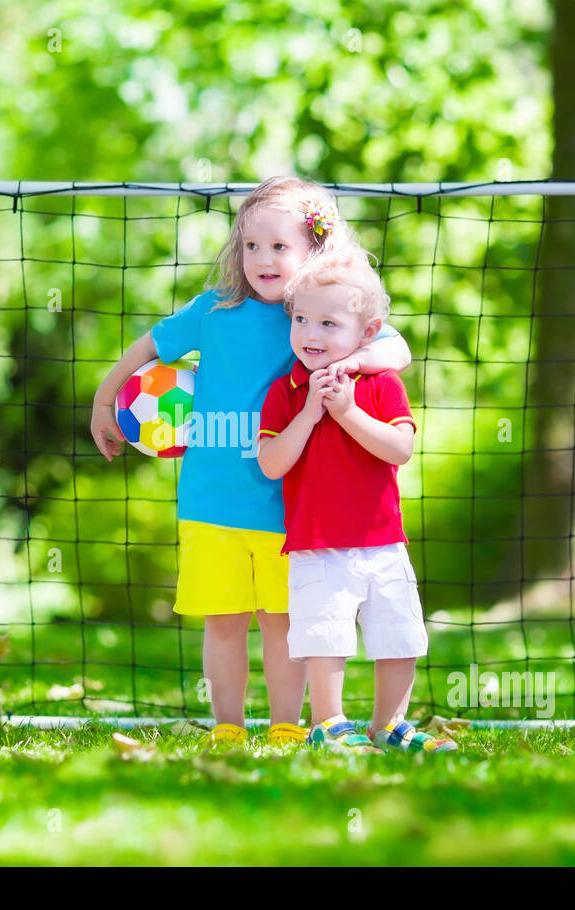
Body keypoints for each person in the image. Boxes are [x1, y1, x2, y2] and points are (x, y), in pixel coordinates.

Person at [90, 177, 412, 747]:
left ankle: (288, 726)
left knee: (282, 624)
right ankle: (229, 729)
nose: (263, 258)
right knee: (223, 624)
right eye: (251, 245)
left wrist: (352, 363)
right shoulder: (212, 311)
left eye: (280, 246)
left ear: (315, 249)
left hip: (287, 509)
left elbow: (396, 347)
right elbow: (150, 345)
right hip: (210, 503)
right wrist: (104, 396)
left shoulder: (314, 316)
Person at [257, 247, 457, 754]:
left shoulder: (382, 385)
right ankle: (330, 722)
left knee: (400, 634)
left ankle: (389, 724)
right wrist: (308, 413)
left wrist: (345, 411)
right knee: (324, 639)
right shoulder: (284, 391)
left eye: (328, 322)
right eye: (301, 320)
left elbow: (400, 449)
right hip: (315, 546)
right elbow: (271, 464)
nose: (311, 334)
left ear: (367, 333)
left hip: (383, 543)